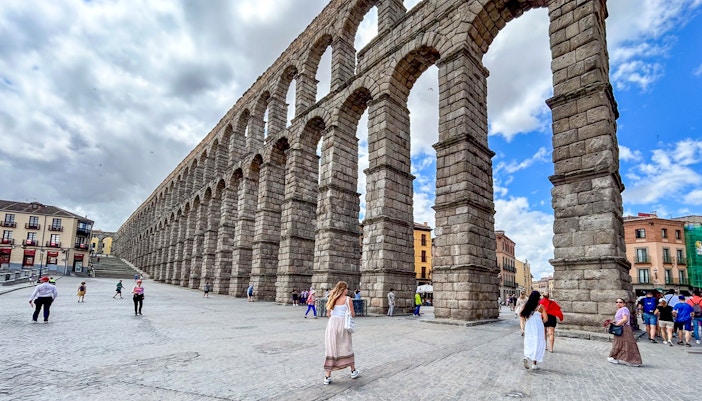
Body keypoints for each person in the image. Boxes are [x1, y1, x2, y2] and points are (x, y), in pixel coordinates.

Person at [323, 281, 359, 385]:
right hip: (343, 325)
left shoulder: (332, 298)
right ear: (343, 289)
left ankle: (327, 376)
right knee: (346, 346)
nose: (347, 290)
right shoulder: (348, 299)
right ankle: (353, 371)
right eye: (347, 289)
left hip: (332, 325)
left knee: (331, 348)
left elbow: (328, 314)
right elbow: (352, 314)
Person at [608, 298, 642, 366]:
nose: (618, 303)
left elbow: (625, 319)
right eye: (617, 302)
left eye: (620, 302)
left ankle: (630, 360)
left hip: (623, 328)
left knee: (625, 344)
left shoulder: (624, 309)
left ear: (624, 303)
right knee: (621, 343)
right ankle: (617, 357)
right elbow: (621, 319)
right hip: (622, 328)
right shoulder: (620, 310)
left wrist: (617, 324)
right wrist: (614, 321)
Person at [520, 290, 547, 370]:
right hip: (538, 326)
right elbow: (545, 319)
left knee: (529, 341)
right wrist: (540, 322)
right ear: (538, 298)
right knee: (537, 343)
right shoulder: (541, 306)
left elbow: (521, 314)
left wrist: (527, 319)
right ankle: (534, 364)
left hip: (529, 325)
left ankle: (526, 357)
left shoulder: (526, 305)